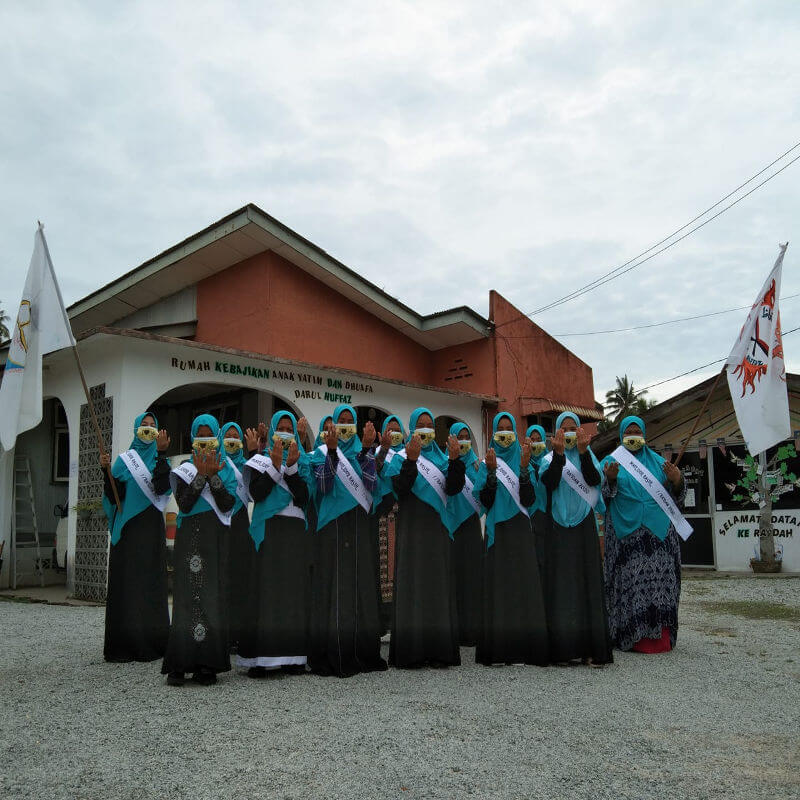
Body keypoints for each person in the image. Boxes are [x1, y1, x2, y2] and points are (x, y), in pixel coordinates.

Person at [307, 404, 386, 677]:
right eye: (340, 421)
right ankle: (333, 652)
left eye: (348, 421)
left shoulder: (364, 454)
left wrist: (366, 451)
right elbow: (324, 485)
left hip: (359, 527)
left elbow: (373, 486)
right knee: (334, 586)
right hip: (332, 529)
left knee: (360, 585)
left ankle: (361, 651)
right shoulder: (319, 454)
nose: (344, 425)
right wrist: (330, 452)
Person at [384, 407, 464, 669]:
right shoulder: (400, 458)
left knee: (436, 586)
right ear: (412, 429)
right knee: (413, 584)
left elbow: (454, 489)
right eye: (421, 424)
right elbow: (400, 490)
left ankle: (440, 651)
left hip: (438, 531)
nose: (426, 429)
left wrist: (454, 461)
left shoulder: (443, 459)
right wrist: (411, 461)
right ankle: (412, 652)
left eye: (430, 424)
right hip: (412, 531)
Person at [162, 414, 237, 686]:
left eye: (209, 435)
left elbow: (228, 504)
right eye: (200, 435)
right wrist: (200, 476)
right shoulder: (184, 467)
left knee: (211, 597)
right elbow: (184, 503)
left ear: (216, 437)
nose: (205, 440)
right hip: (190, 538)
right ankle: (180, 663)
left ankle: (208, 664)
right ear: (193, 438)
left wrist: (214, 477)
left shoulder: (227, 467)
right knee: (186, 598)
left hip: (215, 537)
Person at [601, 415, 686, 653]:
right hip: (626, 539)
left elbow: (677, 496)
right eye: (629, 431)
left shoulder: (660, 463)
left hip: (659, 537)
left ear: (644, 435)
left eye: (637, 431)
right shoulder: (610, 462)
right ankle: (629, 637)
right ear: (620, 435)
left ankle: (661, 638)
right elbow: (600, 498)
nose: (633, 435)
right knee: (630, 586)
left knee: (660, 586)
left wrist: (677, 480)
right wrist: (610, 479)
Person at [238, 411, 313, 676]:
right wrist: (274, 466)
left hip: (294, 531)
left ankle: (293, 658)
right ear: (271, 432)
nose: (284, 431)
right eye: (280, 427)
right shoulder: (260, 459)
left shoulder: (304, 461)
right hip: (269, 529)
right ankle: (261, 659)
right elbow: (256, 493)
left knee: (292, 593)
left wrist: (291, 468)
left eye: (288, 428)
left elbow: (305, 496)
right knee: (267, 590)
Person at [473, 413, 548, 666]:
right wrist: (492, 473)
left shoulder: (523, 460)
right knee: (499, 588)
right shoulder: (487, 463)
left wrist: (525, 469)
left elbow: (529, 500)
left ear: (515, 432)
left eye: (509, 429)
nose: (505, 434)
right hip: (497, 532)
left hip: (520, 530)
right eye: (500, 429)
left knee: (522, 586)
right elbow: (484, 501)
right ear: (494, 432)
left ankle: (524, 649)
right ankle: (499, 650)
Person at [539, 411, 612, 666]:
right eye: (564, 428)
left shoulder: (589, 456)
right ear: (557, 432)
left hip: (584, 527)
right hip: (557, 526)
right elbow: (548, 483)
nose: (569, 432)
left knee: (586, 585)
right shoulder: (548, 459)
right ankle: (562, 650)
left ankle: (591, 649)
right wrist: (559, 456)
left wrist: (582, 452)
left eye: (573, 428)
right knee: (561, 587)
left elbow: (594, 480)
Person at [100, 412, 171, 662]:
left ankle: (152, 643)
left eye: (153, 425)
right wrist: (105, 470)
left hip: (151, 530)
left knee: (150, 584)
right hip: (129, 530)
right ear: (135, 428)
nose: (148, 429)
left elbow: (163, 488)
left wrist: (161, 453)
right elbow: (113, 496)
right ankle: (125, 645)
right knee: (128, 586)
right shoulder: (123, 461)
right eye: (144, 425)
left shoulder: (161, 461)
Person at [445, 422, 484, 647]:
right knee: (455, 577)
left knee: (472, 578)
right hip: (452, 527)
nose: (463, 440)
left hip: (470, 527)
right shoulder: (446, 462)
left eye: (466, 436)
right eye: (459, 436)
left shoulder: (477, 465)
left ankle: (473, 628)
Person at [218, 422, 253, 654]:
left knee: (242, 579)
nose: (232, 440)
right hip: (221, 525)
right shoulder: (217, 462)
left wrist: (252, 453)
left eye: (235, 437)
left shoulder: (247, 465)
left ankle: (240, 632)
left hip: (241, 526)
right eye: (228, 436)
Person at [372, 414, 406, 633]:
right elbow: (372, 472)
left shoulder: (408, 454)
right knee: (384, 569)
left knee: (402, 566)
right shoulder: (376, 453)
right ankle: (385, 619)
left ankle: (402, 616)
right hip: (383, 518)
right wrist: (383, 449)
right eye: (389, 430)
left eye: (397, 430)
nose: (393, 434)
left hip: (404, 518)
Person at [526, 424, 549, 570]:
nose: (535, 443)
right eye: (532, 440)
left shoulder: (550, 461)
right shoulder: (523, 463)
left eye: (538, 439)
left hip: (547, 516)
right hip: (528, 517)